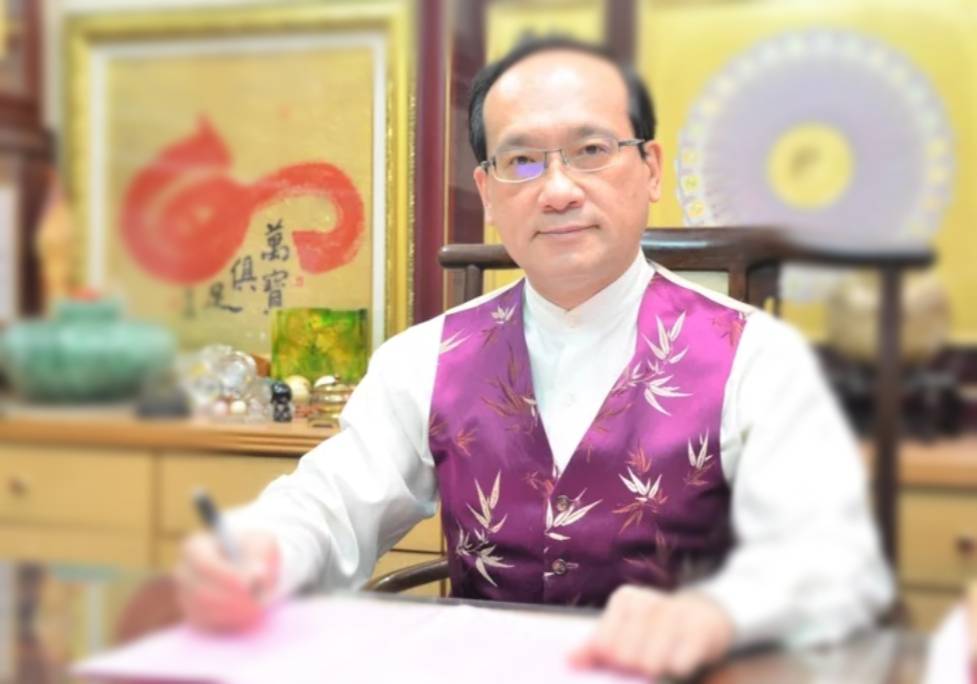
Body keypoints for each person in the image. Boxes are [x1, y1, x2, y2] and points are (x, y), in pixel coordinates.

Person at [176, 36, 893, 679]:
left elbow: (833, 561)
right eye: (521, 160)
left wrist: (723, 612)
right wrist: (262, 548)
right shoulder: (422, 359)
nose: (557, 191)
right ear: (488, 192)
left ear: (649, 168)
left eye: (591, 150)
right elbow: (329, 504)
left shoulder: (758, 357)